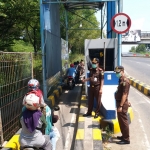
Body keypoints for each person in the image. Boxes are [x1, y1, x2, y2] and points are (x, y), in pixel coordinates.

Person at [114, 66, 130, 145]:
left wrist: (120, 106)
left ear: (122, 71)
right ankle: (123, 136)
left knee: (124, 121)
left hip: (122, 104)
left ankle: (126, 139)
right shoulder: (121, 79)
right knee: (121, 121)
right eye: (116, 72)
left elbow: (124, 94)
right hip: (120, 102)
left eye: (118, 72)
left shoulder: (125, 81)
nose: (117, 73)